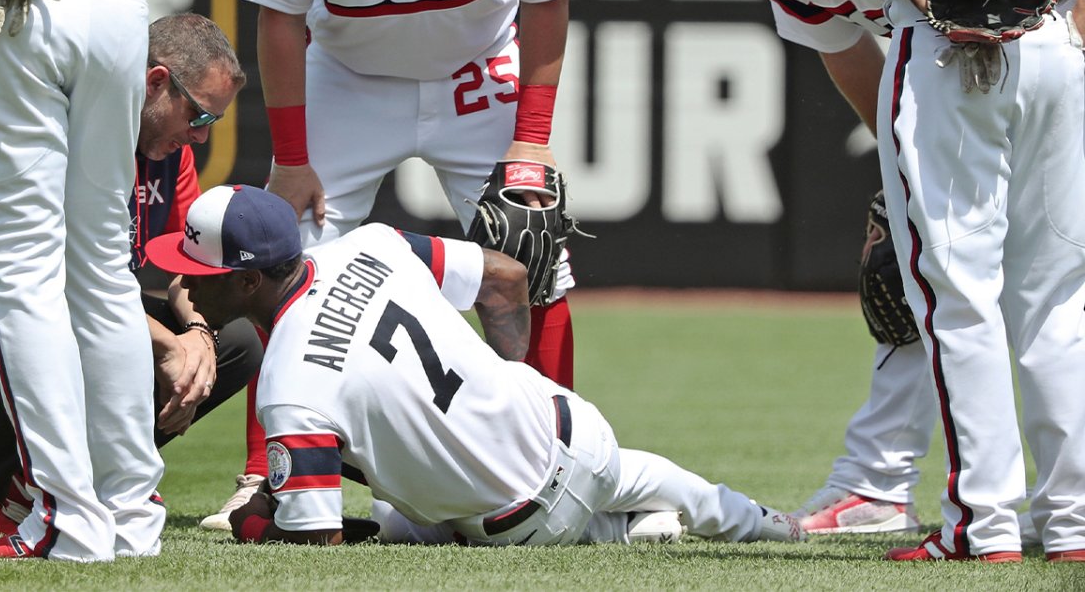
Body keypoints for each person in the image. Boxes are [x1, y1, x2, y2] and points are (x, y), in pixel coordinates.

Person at [198, 0, 592, 532]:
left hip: (478, 69)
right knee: (283, 262)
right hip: (345, 78)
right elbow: (279, 15)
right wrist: (294, 160)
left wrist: (532, 141)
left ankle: (559, 466)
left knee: (535, 255)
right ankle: (265, 476)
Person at [143, 184, 807, 547]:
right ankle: (755, 521)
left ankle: (635, 529)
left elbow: (315, 536)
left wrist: (254, 518)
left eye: (201, 272)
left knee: (395, 512)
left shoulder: (287, 384)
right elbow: (506, 276)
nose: (185, 284)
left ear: (253, 281)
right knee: (641, 477)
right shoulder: (373, 243)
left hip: (514, 528)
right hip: (575, 433)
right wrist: (502, 377)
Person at [0, 13, 259, 543]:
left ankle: (37, 481)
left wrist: (197, 335)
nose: (199, 137)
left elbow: (185, 272)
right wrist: (166, 345)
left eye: (213, 124)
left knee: (236, 341)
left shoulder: (169, 157)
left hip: (45, 313)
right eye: (197, 115)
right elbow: (61, 281)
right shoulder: (63, 131)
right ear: (154, 83)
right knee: (78, 324)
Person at [866, 0, 1085, 563]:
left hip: (947, 36)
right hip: (1056, 37)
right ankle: (1072, 522)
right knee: (1059, 302)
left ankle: (981, 523)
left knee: (958, 299)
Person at [736, 0, 933, 535]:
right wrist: (906, 168)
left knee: (1047, 305)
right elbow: (848, 52)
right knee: (913, 282)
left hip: (1037, 86)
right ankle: (876, 487)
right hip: (978, 105)